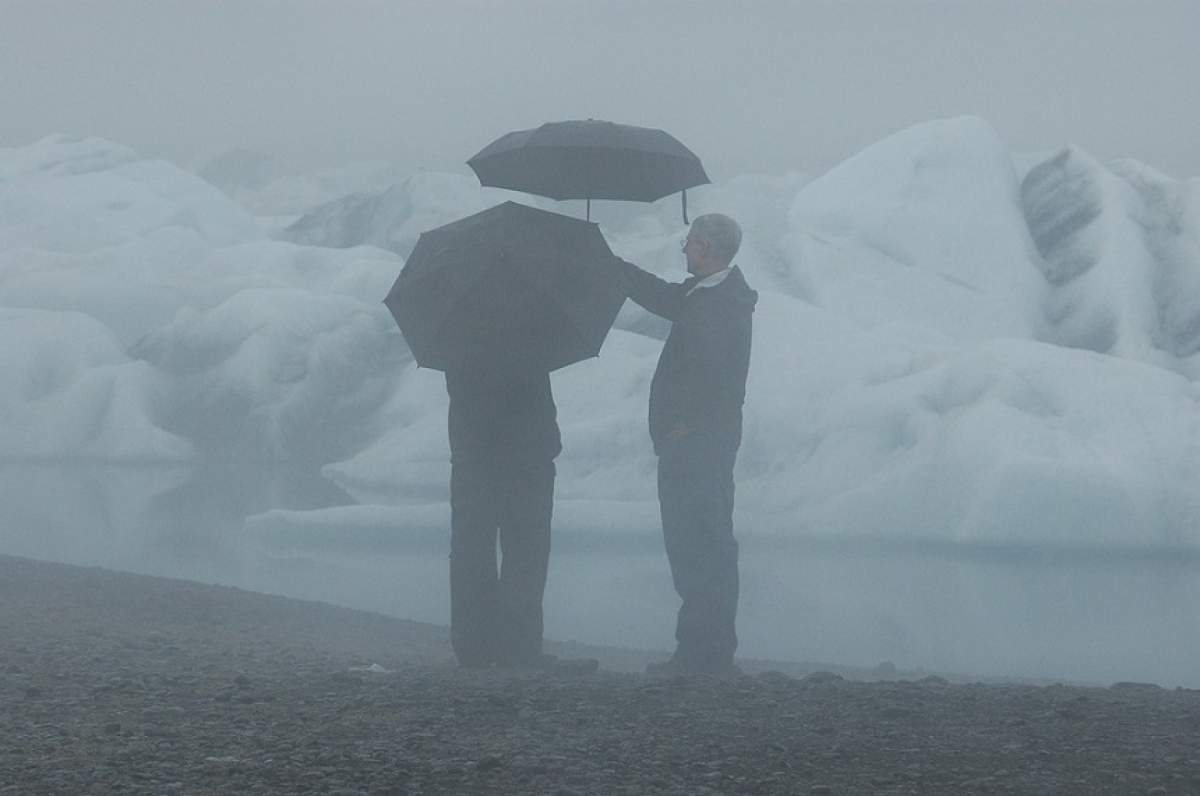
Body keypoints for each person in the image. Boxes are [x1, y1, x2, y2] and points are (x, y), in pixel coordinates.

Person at [613, 213, 757, 676]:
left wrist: (684, 427)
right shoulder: (709, 295)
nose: (684, 248)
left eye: (691, 242)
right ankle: (702, 649)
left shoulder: (720, 303)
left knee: (701, 541)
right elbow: (662, 295)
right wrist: (610, 264)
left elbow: (712, 375)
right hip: (698, 441)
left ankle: (705, 653)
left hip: (698, 443)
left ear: (708, 249)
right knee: (697, 541)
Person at [444, 329, 598, 675]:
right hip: (523, 458)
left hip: (473, 457)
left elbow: (462, 391)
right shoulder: (528, 323)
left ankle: (473, 647)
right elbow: (532, 397)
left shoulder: (454, 330)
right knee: (525, 551)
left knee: (472, 548)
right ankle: (519, 647)